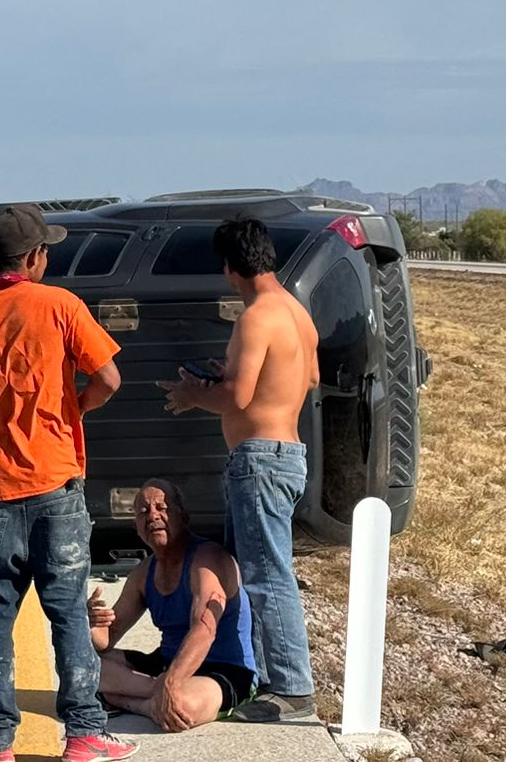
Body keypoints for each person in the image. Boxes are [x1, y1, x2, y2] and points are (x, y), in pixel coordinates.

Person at [0, 203, 139, 762]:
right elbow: (109, 377)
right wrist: (73, 413)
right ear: (36, 257)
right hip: (54, 486)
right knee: (66, 614)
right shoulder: (60, 305)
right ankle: (85, 736)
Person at [157, 217, 321, 723]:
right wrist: (231, 374)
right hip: (288, 454)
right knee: (255, 572)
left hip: (258, 460)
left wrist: (194, 393)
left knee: (265, 576)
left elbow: (239, 396)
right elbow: (308, 376)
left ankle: (292, 689)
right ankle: (255, 676)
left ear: (229, 268)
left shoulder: (254, 318)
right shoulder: (297, 312)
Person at [88, 479, 256, 732]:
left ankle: (132, 699)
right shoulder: (143, 573)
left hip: (224, 668)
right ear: (137, 527)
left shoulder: (208, 560)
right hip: (166, 663)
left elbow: (204, 630)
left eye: (162, 508)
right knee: (79, 664)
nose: (153, 515)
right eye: (144, 511)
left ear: (183, 516)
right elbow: (106, 639)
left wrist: (172, 683)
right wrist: (90, 623)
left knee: (183, 705)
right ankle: (152, 700)